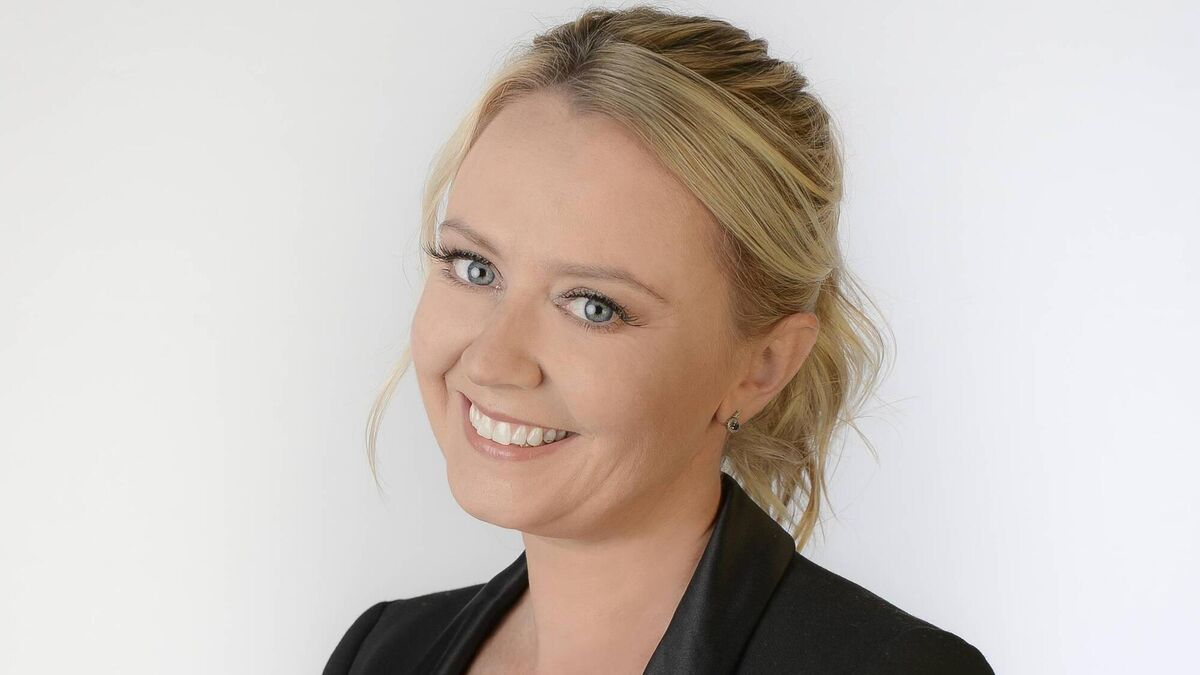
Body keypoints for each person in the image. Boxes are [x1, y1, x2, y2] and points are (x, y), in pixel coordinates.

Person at [324, 5, 994, 674]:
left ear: (761, 367)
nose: (492, 361)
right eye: (475, 267)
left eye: (593, 307)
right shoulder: (380, 653)